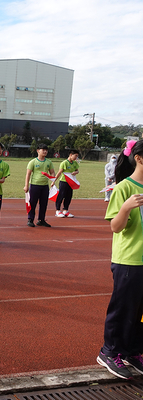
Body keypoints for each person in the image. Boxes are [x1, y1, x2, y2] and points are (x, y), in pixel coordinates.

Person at [96, 139, 143, 380]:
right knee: (123, 309)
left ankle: (134, 351)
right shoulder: (124, 187)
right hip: (130, 260)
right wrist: (125, 208)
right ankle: (109, 352)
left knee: (141, 311)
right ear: (139, 158)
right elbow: (115, 227)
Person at [24, 143, 55, 227]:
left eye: (46, 150)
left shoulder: (49, 162)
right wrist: (26, 185)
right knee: (33, 203)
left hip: (45, 186)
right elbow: (28, 174)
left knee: (44, 203)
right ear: (38, 151)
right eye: (43, 150)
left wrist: (53, 180)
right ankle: (30, 219)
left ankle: (41, 220)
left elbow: (52, 172)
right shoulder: (33, 162)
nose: (45, 151)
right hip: (34, 185)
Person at [54, 150, 80, 218]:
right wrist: (53, 181)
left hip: (71, 182)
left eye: (77, 156)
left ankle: (65, 210)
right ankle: (57, 210)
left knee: (69, 196)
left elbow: (77, 171)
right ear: (71, 154)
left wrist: (75, 172)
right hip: (64, 182)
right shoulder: (64, 163)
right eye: (75, 156)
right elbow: (59, 172)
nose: (76, 157)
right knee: (61, 196)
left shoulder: (75, 163)